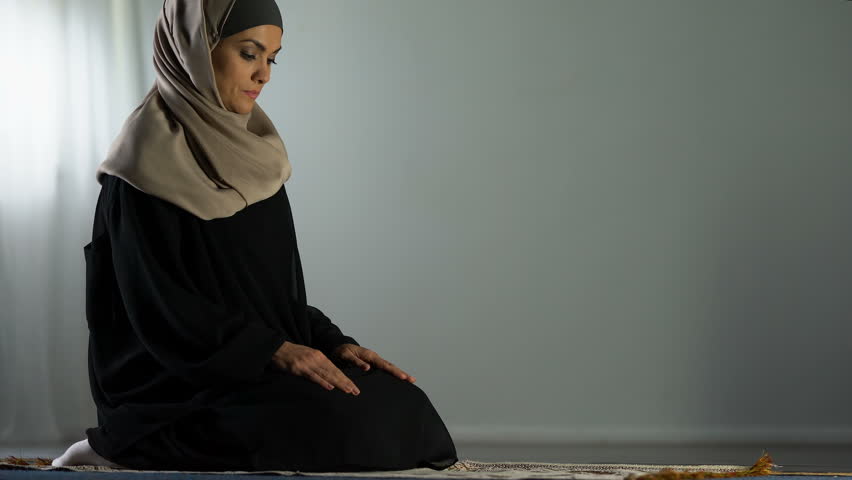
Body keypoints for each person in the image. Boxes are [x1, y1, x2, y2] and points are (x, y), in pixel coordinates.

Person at [51, 0, 458, 472]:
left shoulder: (256, 154)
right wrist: (274, 350)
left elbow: (268, 296)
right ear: (195, 48)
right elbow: (158, 308)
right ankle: (117, 447)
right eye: (249, 53)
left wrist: (332, 342)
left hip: (252, 363)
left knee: (401, 404)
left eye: (272, 59)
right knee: (344, 421)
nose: (263, 74)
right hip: (175, 385)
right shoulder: (142, 168)